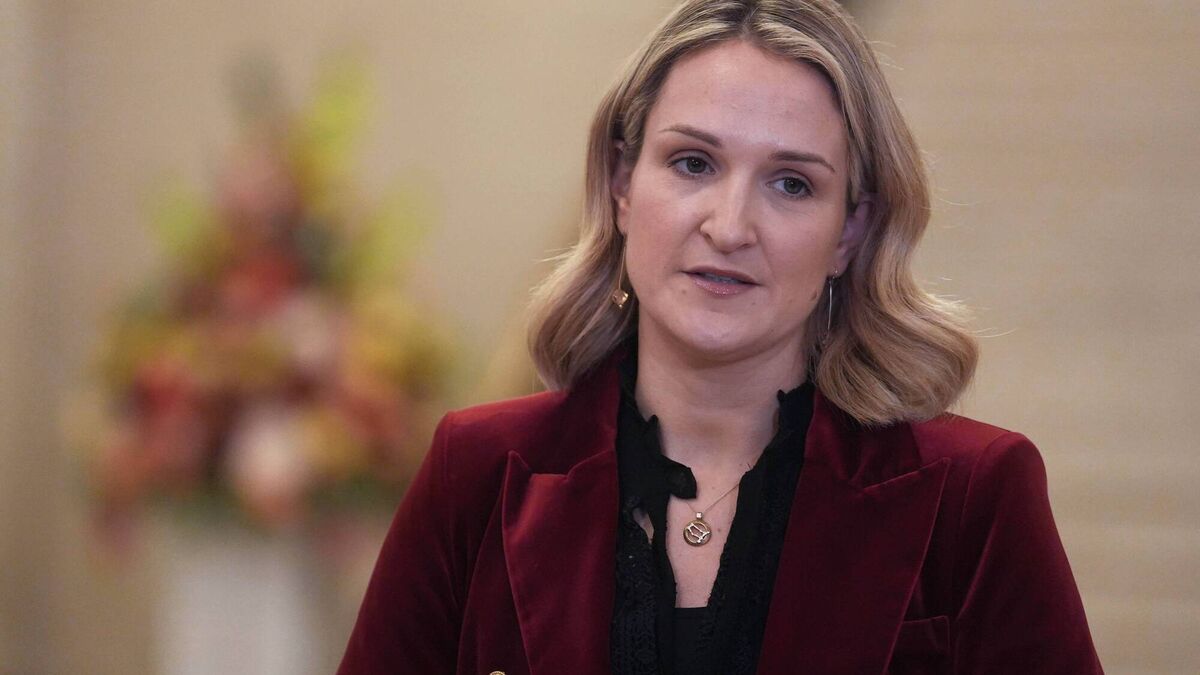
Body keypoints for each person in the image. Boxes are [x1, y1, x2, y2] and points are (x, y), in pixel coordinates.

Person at [337, 1, 1104, 673]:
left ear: (851, 230)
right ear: (622, 184)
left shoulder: (972, 495)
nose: (731, 226)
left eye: (792, 183)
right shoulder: (477, 473)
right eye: (693, 162)